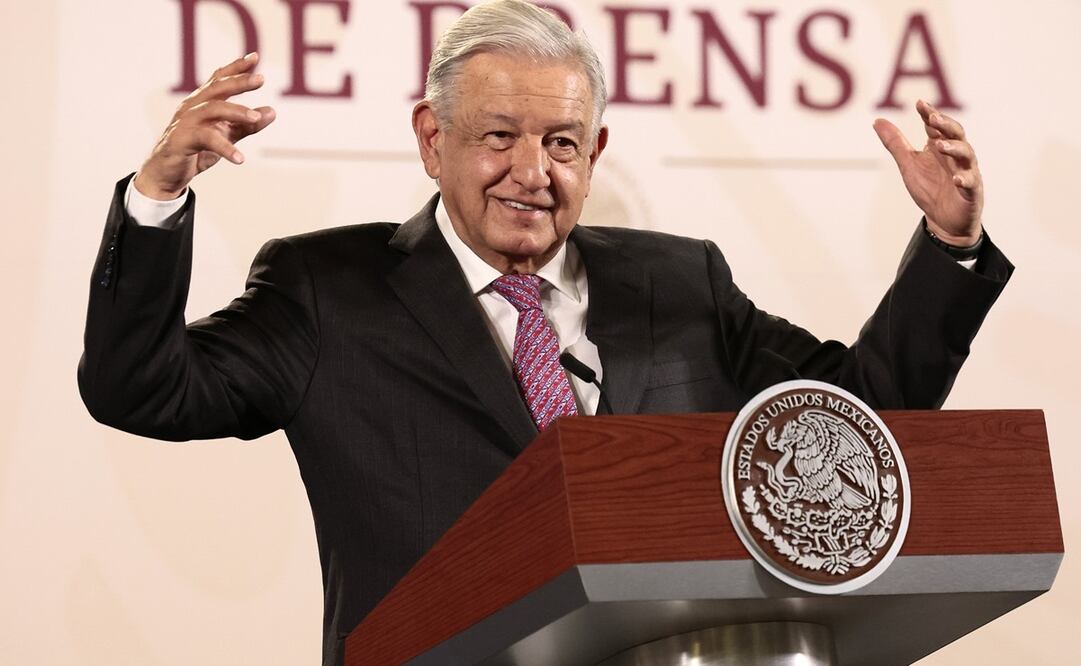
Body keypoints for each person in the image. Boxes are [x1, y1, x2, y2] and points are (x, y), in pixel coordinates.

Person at [78, 1, 1011, 664]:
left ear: (594, 153)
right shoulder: (330, 288)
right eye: (498, 137)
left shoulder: (679, 281)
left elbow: (852, 427)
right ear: (431, 140)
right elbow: (143, 389)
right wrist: (158, 198)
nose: (533, 171)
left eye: (562, 144)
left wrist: (950, 244)